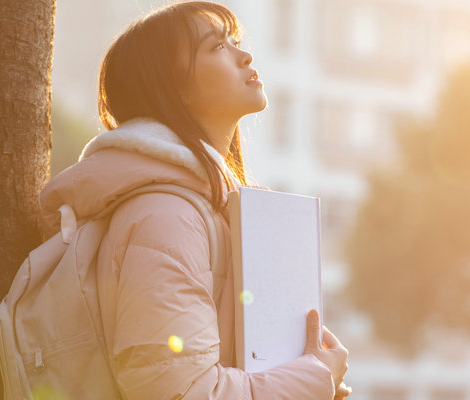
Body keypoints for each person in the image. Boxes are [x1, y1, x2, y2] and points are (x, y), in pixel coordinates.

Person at [38, 1, 351, 398]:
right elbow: (178, 392)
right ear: (173, 87)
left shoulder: (213, 208)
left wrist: (312, 379)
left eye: (235, 41)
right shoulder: (165, 216)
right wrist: (311, 380)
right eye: (217, 47)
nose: (245, 55)